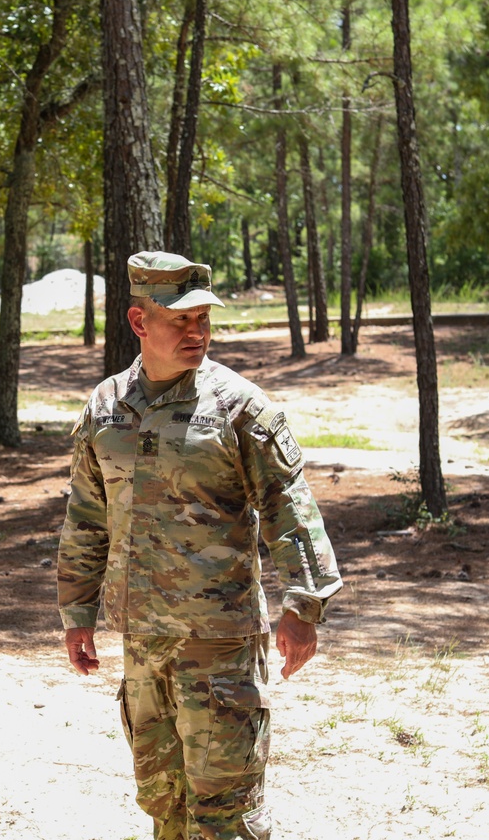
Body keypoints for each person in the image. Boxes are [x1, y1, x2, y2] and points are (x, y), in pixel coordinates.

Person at [57, 251, 342, 840]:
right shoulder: (107, 407)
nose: (197, 331)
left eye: (204, 318)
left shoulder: (239, 408)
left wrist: (303, 605)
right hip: (142, 642)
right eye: (180, 319)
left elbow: (291, 507)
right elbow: (87, 518)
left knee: (225, 818)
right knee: (163, 805)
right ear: (140, 322)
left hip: (218, 646)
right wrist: (77, 612)